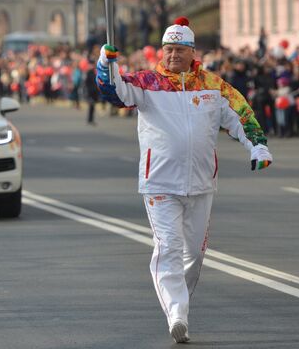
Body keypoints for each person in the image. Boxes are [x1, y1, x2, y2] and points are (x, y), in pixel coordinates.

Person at [95, 17, 273, 344]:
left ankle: (181, 306)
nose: (172, 55)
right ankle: (176, 314)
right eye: (168, 49)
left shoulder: (213, 86)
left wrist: (257, 147)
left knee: (193, 254)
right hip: (159, 183)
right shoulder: (147, 82)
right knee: (169, 248)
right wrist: (107, 63)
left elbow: (241, 116)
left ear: (192, 52)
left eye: (179, 49)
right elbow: (113, 91)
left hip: (202, 183)